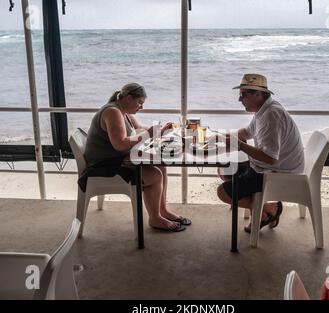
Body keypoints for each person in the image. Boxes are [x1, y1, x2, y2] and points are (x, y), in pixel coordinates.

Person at [84, 83, 191, 232]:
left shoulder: (123, 111)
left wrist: (160, 131)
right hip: (103, 166)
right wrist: (150, 134)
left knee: (161, 166)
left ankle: (163, 211)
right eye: (140, 103)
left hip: (115, 159)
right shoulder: (112, 112)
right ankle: (155, 218)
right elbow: (120, 144)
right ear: (128, 98)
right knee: (155, 175)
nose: (141, 107)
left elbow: (140, 129)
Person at [216, 74, 305, 233]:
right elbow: (247, 132)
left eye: (243, 95)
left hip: (278, 173)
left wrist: (239, 145)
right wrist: (221, 136)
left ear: (257, 94)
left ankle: (268, 209)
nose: (239, 99)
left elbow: (270, 159)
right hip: (270, 166)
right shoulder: (264, 109)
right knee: (224, 168)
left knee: (223, 193)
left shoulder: (271, 116)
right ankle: (263, 209)